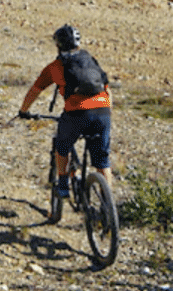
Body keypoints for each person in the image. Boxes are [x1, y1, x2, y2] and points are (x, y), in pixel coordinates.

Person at [18, 24, 112, 211]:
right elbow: (106, 87)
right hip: (103, 111)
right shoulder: (90, 59)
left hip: (77, 112)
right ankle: (108, 207)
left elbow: (35, 91)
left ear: (58, 45)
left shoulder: (54, 67)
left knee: (62, 146)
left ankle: (62, 182)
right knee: (102, 161)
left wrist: (23, 111)